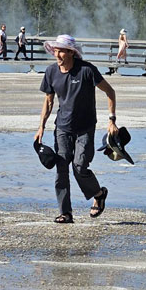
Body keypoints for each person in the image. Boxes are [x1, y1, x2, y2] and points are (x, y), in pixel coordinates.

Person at [35, 35, 118, 224]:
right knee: (61, 167)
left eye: (61, 50)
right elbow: (48, 102)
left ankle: (98, 193)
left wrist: (112, 119)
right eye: (55, 50)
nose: (57, 54)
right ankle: (66, 212)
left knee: (79, 166)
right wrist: (41, 128)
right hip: (62, 127)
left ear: (71, 52)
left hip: (85, 128)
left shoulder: (87, 71)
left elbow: (110, 92)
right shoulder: (50, 72)